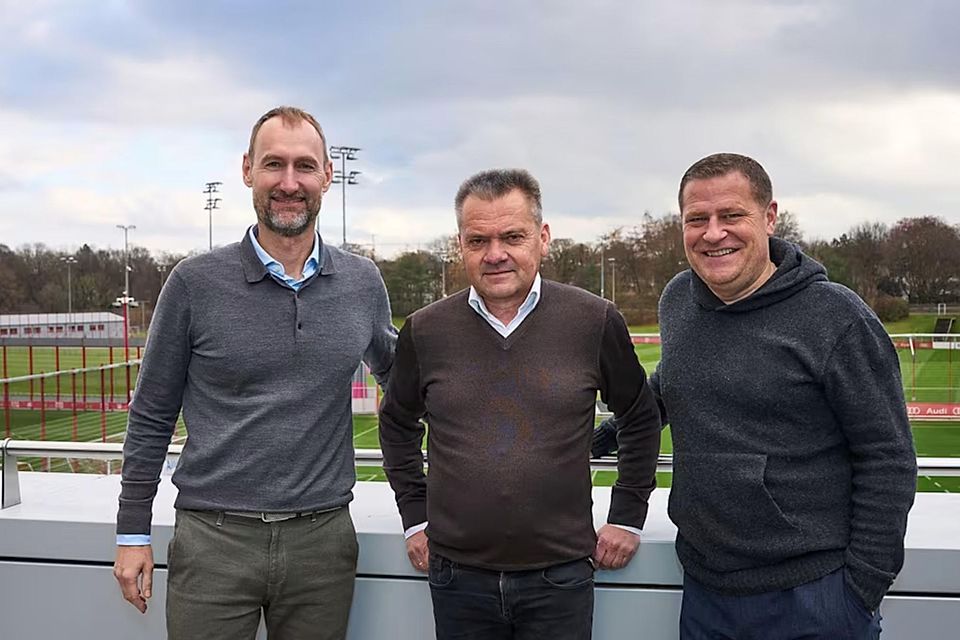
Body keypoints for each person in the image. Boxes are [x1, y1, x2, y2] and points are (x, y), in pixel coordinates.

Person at [112, 106, 396, 639]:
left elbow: (406, 384)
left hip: (323, 541)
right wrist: (132, 531)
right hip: (213, 541)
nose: (289, 183)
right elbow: (151, 415)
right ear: (248, 170)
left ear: (327, 177)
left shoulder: (362, 282)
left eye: (305, 166)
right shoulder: (193, 284)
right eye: (274, 165)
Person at [378, 168, 662, 640]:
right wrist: (415, 517)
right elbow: (397, 425)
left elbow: (638, 417)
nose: (495, 255)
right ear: (461, 245)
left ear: (543, 238)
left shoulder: (594, 321)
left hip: (561, 575)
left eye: (512, 236)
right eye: (478, 241)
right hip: (456, 576)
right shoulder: (426, 330)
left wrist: (627, 515)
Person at [655, 152, 916, 639]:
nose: (714, 233)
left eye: (732, 215)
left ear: (769, 217)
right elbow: (671, 384)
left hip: (815, 596)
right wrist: (589, 436)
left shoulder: (836, 318)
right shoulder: (678, 299)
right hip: (706, 590)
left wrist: (861, 590)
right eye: (698, 219)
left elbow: (888, 458)